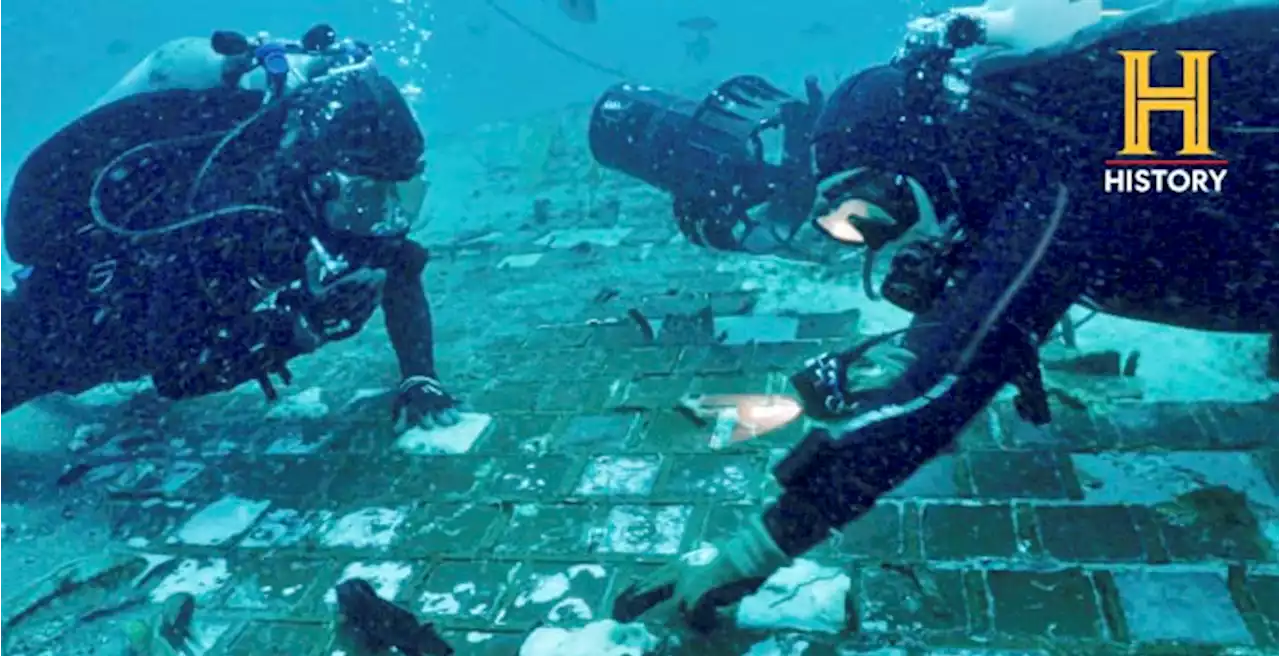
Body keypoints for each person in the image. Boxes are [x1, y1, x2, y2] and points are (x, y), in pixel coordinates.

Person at [616, 1, 1280, 624]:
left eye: (870, 209)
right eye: (852, 230)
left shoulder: (1056, 176)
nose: (879, 236)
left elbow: (945, 384)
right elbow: (968, 319)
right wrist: (875, 363)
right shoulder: (1018, 156)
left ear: (918, 159)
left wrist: (753, 551)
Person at [0, 25, 460, 429]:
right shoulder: (231, 215)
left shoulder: (339, 202)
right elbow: (177, 371)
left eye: (403, 197)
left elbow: (399, 268)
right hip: (73, 326)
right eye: (367, 198)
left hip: (135, 322)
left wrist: (421, 376)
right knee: (29, 361)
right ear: (319, 182)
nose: (387, 220)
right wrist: (301, 328)